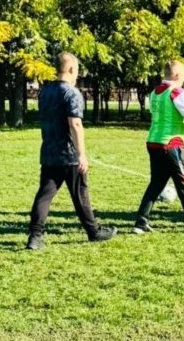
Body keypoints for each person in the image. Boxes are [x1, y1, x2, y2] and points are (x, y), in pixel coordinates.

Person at [26, 52, 117, 250]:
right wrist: (81, 154)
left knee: (44, 195)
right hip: (69, 154)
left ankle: (34, 237)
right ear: (71, 69)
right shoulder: (71, 93)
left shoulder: (45, 92)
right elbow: (75, 123)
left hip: (49, 152)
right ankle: (94, 232)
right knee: (80, 194)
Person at [133, 60, 184, 235]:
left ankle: (140, 222)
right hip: (173, 144)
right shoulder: (177, 92)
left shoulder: (155, 92)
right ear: (177, 75)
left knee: (156, 183)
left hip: (154, 141)